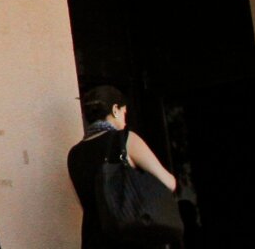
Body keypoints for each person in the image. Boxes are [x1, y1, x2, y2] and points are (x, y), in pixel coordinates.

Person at [65, 84, 176, 248]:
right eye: (124, 113)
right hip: (130, 238)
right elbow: (168, 183)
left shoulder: (74, 154)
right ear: (115, 109)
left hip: (94, 239)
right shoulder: (125, 139)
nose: (125, 121)